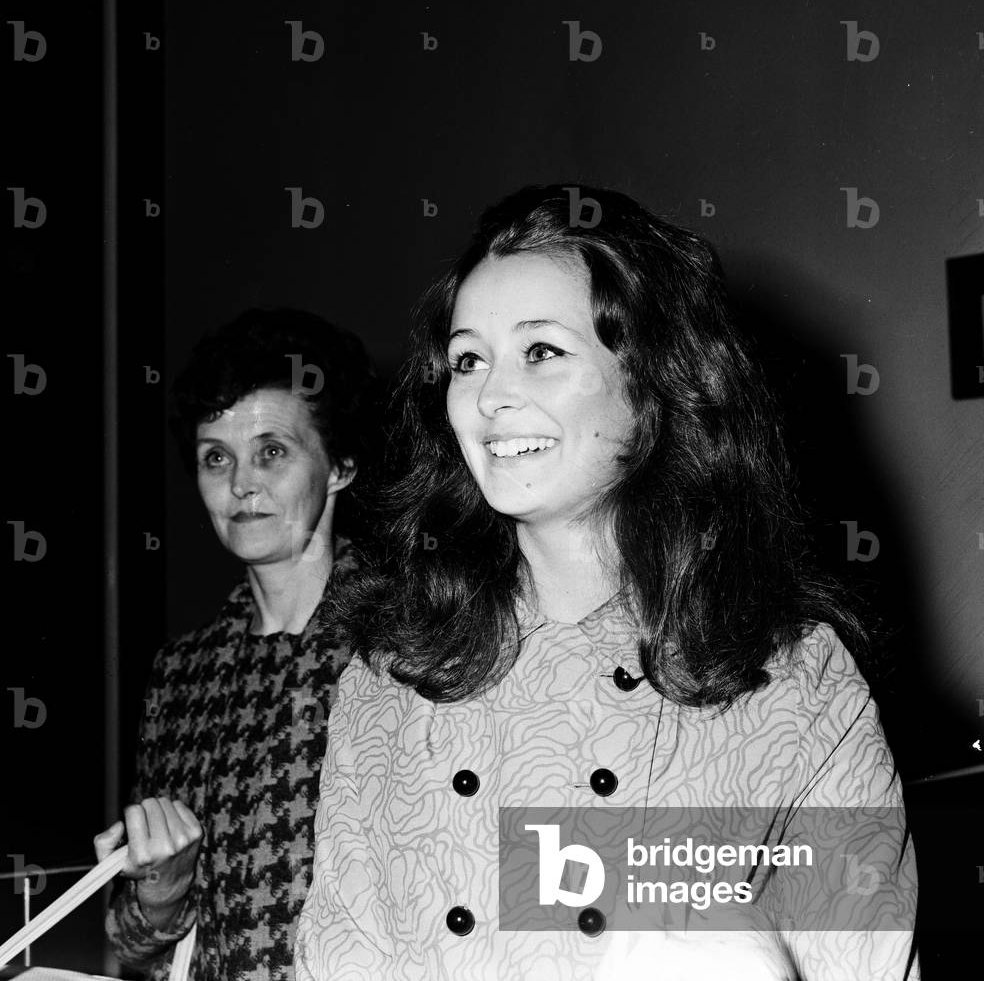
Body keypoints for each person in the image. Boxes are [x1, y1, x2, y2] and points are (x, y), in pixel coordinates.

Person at [294, 184, 919, 980]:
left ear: (652, 381)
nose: (489, 397)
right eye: (467, 359)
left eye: (541, 351)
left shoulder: (795, 683)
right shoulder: (390, 679)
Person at [94, 308, 380, 980]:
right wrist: (161, 889)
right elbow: (133, 946)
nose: (241, 484)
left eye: (271, 451)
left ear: (340, 464)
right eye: (215, 457)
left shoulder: (415, 640)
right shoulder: (182, 674)